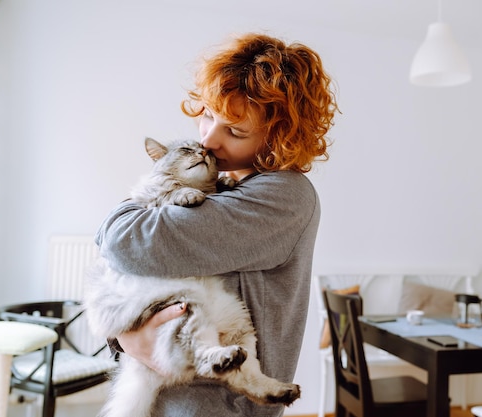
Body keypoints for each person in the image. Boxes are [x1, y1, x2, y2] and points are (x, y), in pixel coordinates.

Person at [95, 32, 338, 417]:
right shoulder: (221, 183)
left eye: (235, 131)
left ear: (278, 138)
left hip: (214, 405)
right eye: (208, 115)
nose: (207, 139)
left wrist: (148, 194)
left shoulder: (284, 195)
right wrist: (124, 339)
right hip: (167, 393)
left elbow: (128, 243)